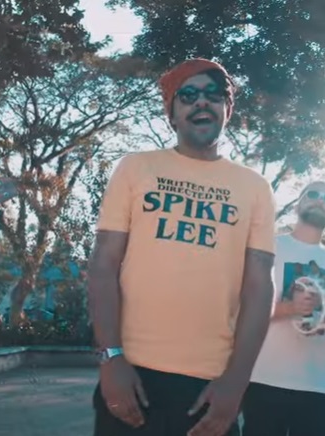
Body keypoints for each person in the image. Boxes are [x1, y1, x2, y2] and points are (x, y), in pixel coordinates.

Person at [87, 58, 277, 436]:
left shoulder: (255, 188)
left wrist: (236, 382)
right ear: (172, 114)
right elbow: (103, 264)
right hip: (132, 378)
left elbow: (259, 288)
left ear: (227, 109)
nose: (201, 102)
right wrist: (111, 359)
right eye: (187, 95)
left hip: (210, 389)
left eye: (213, 94)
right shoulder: (135, 168)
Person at [241, 181, 325, 436]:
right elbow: (243, 310)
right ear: (298, 204)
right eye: (313, 194)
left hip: (319, 387)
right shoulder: (269, 248)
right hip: (264, 380)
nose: (320, 201)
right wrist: (289, 308)